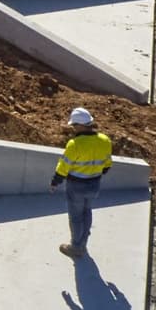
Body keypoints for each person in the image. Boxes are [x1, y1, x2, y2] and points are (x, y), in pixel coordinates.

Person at [50, 106, 113, 258]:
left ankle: (76, 246)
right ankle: (83, 239)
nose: (73, 129)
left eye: (74, 126)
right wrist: (100, 170)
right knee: (87, 211)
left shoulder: (75, 144)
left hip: (76, 186)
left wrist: (55, 181)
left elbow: (64, 165)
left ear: (79, 125)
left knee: (76, 216)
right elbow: (107, 163)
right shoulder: (105, 140)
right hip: (94, 184)